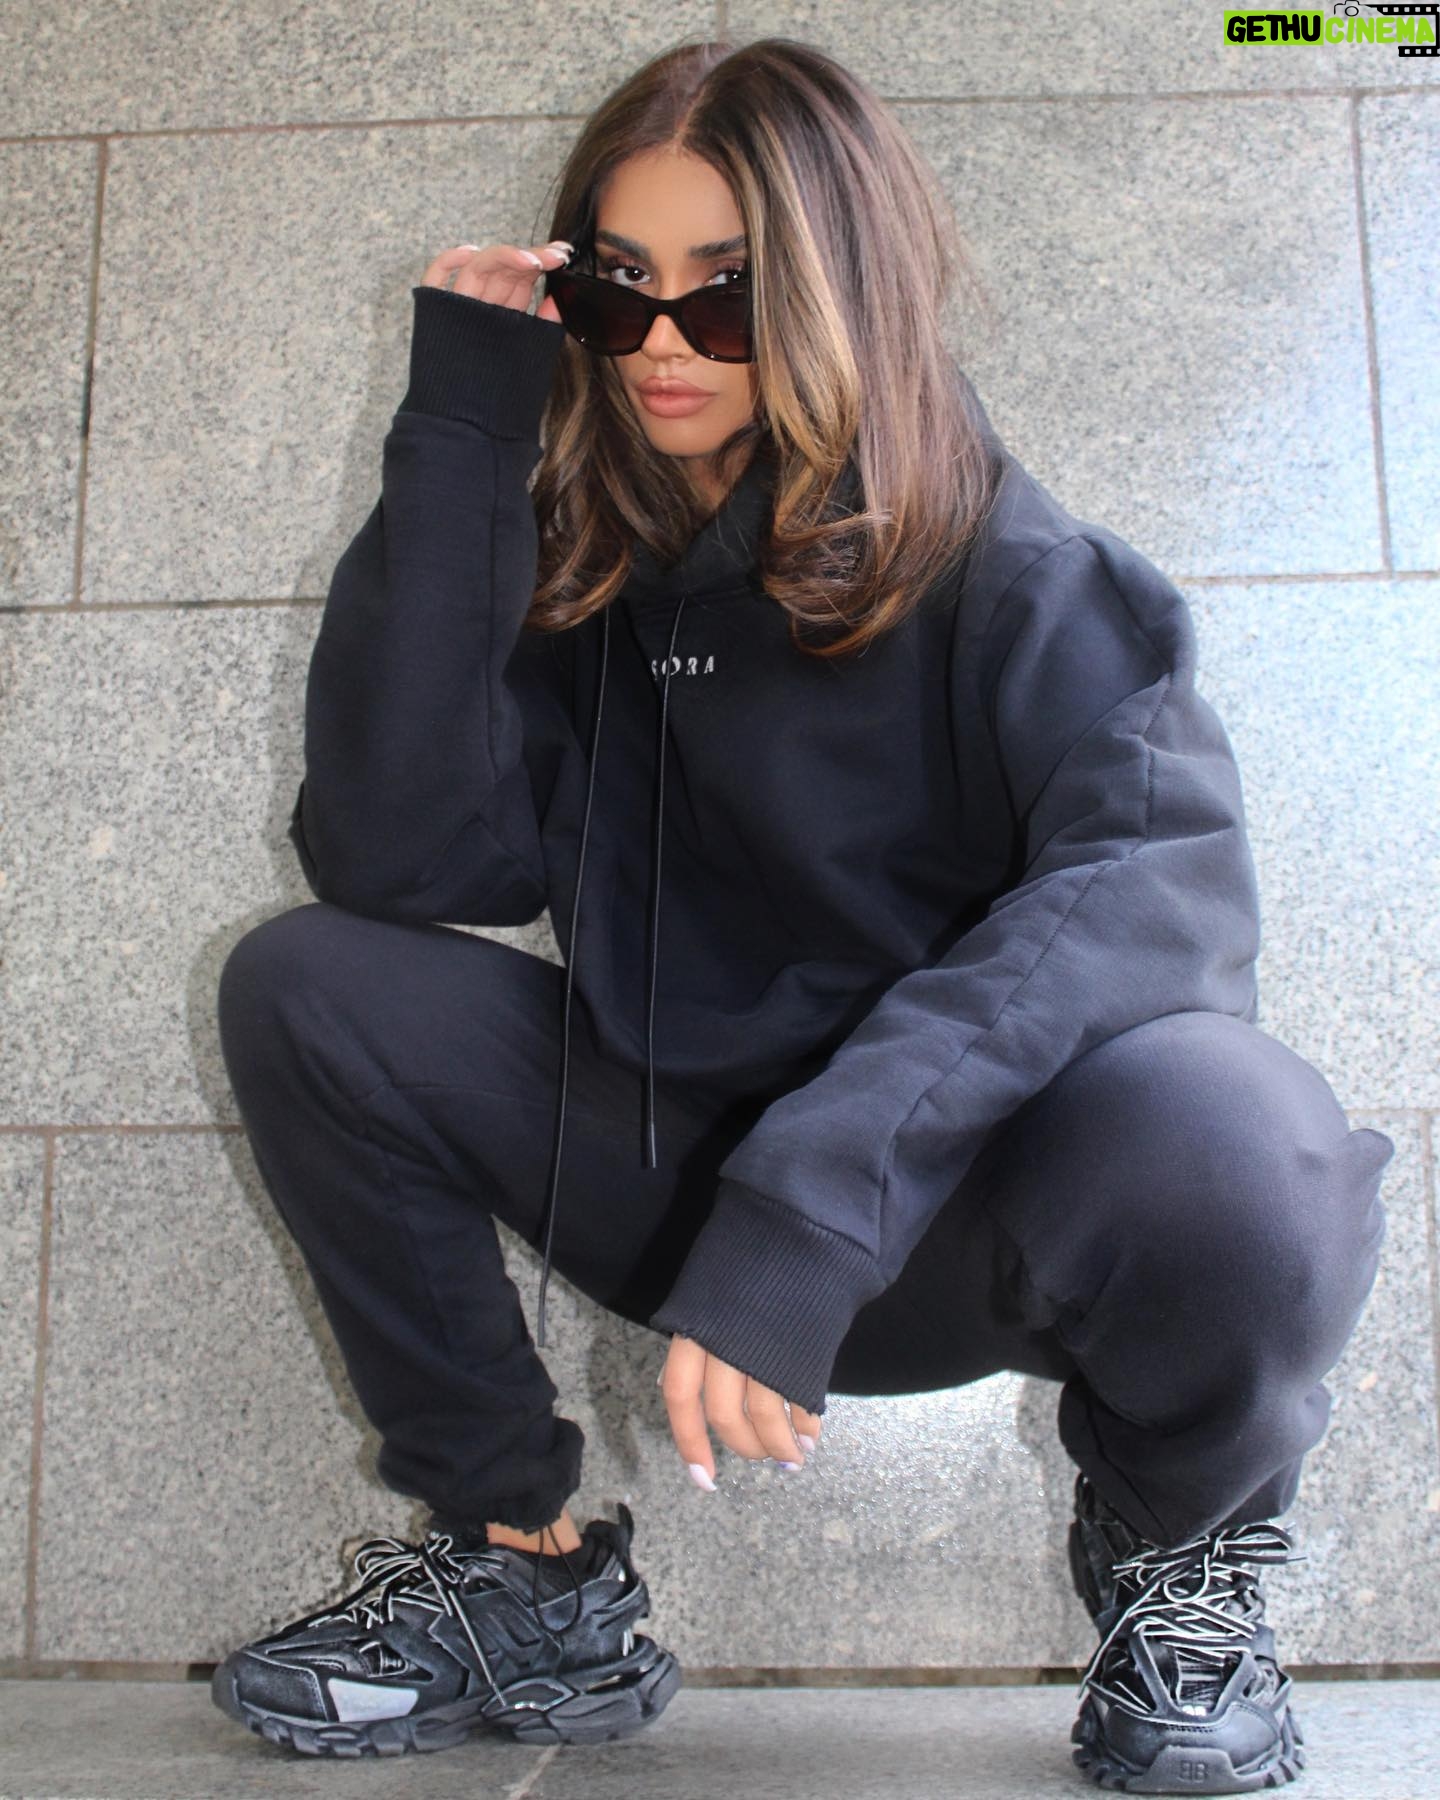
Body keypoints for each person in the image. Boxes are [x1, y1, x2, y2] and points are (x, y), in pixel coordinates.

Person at [210, 35, 1394, 1790]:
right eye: (617, 292)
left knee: (1241, 1134)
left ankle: (1180, 1571)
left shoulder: (1018, 573)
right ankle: (522, 1579)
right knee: (310, 985)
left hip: (951, 1211)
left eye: (725, 294)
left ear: (843, 293)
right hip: (677, 1188)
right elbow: (394, 862)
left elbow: (1156, 896)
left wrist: (812, 1203)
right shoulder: (589, 583)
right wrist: (461, 431)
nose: (661, 345)